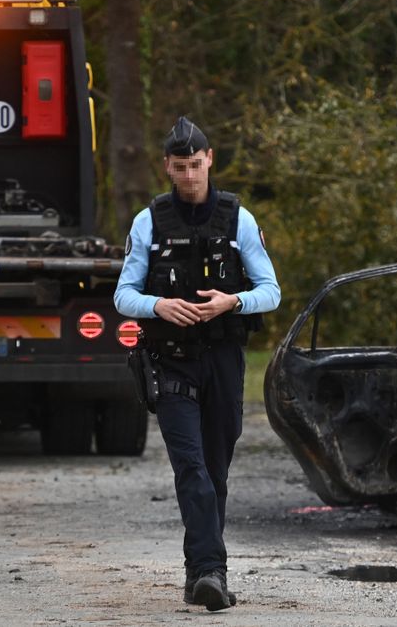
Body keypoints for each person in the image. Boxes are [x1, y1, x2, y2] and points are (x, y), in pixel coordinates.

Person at [114, 117, 280, 611]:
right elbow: (124, 295)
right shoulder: (148, 221)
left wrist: (233, 302)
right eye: (179, 167)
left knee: (216, 469)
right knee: (192, 468)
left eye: (195, 165)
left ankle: (199, 574)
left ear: (210, 160)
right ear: (167, 166)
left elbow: (270, 291)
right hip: (171, 361)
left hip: (223, 360)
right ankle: (212, 570)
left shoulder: (239, 219)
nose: (189, 176)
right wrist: (159, 306)